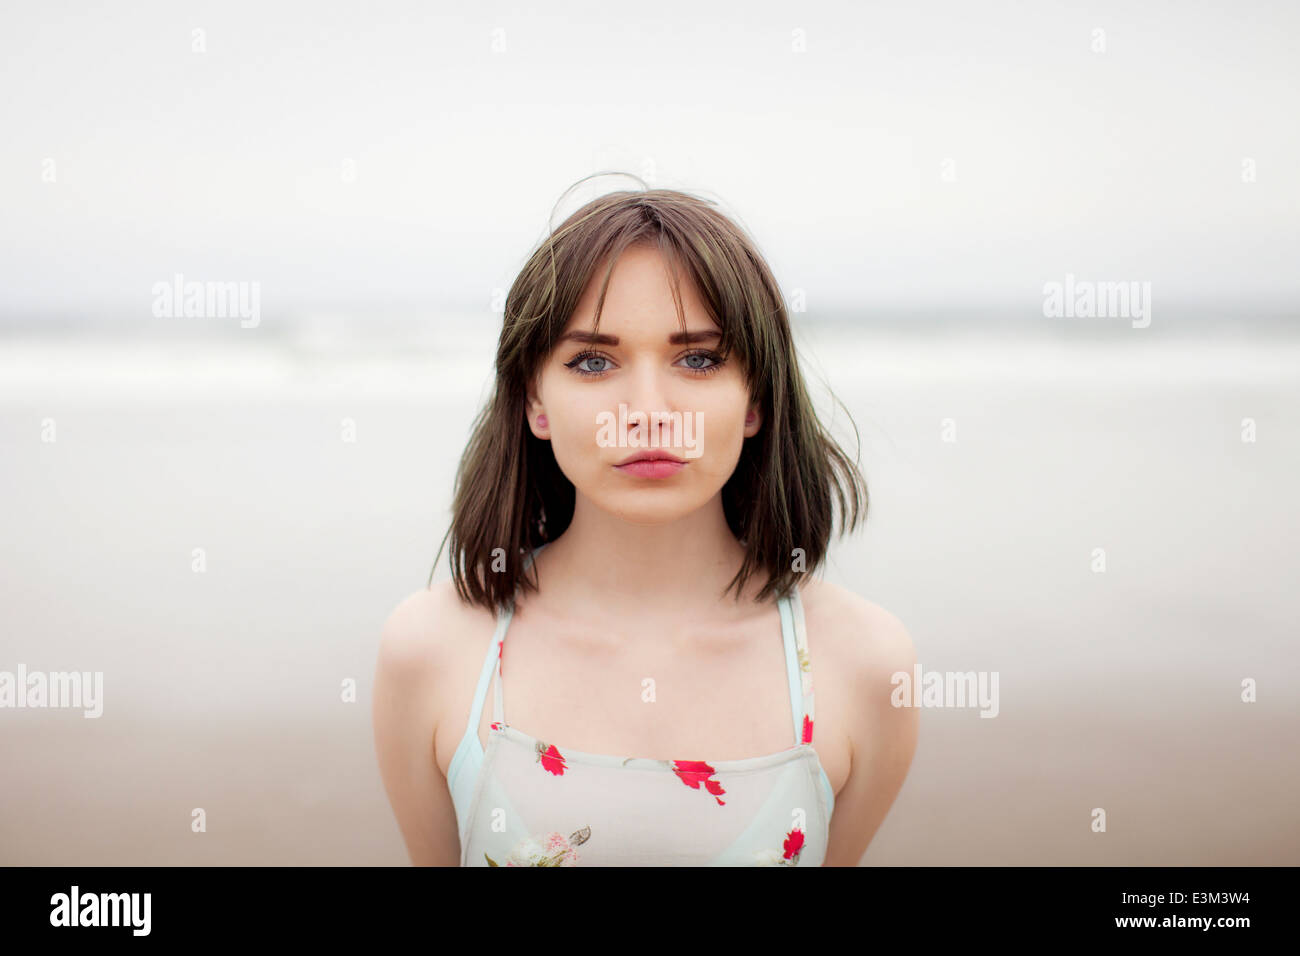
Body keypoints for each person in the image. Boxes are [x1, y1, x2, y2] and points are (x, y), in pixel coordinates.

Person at [373, 177, 918, 866]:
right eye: (593, 362)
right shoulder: (432, 649)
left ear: (755, 400)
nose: (649, 410)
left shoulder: (866, 663)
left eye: (697, 358)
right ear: (535, 402)